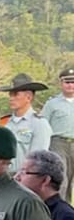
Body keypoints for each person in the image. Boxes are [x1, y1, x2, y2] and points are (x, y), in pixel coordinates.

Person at [0, 74, 52, 174]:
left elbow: (37, 160)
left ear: (28, 97)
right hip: (3, 178)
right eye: (10, 94)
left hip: (25, 179)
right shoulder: (4, 122)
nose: (11, 98)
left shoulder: (39, 124)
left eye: (16, 94)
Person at [44, 67, 74, 195]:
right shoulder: (52, 103)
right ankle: (61, 210)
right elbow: (43, 124)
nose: (70, 85)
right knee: (62, 179)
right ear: (61, 83)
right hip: (58, 143)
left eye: (73, 82)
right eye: (67, 82)